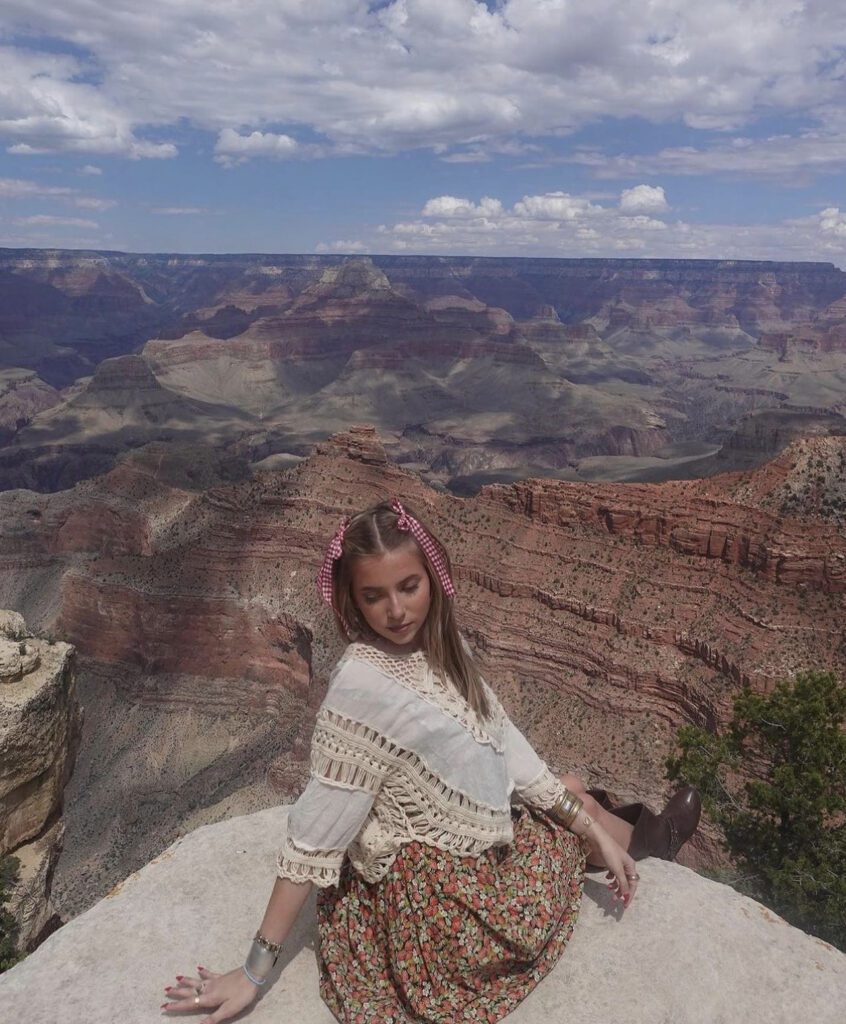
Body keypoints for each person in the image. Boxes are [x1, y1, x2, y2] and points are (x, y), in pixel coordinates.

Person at [162, 498, 701, 1024]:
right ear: (352, 600)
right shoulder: (361, 691)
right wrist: (254, 971)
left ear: (433, 579)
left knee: (568, 788)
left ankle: (625, 836)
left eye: (408, 587)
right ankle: (647, 839)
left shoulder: (443, 649)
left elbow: (504, 742)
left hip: (448, 871)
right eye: (374, 596)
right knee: (574, 797)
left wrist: (589, 828)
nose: (395, 611)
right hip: (439, 914)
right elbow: (314, 838)